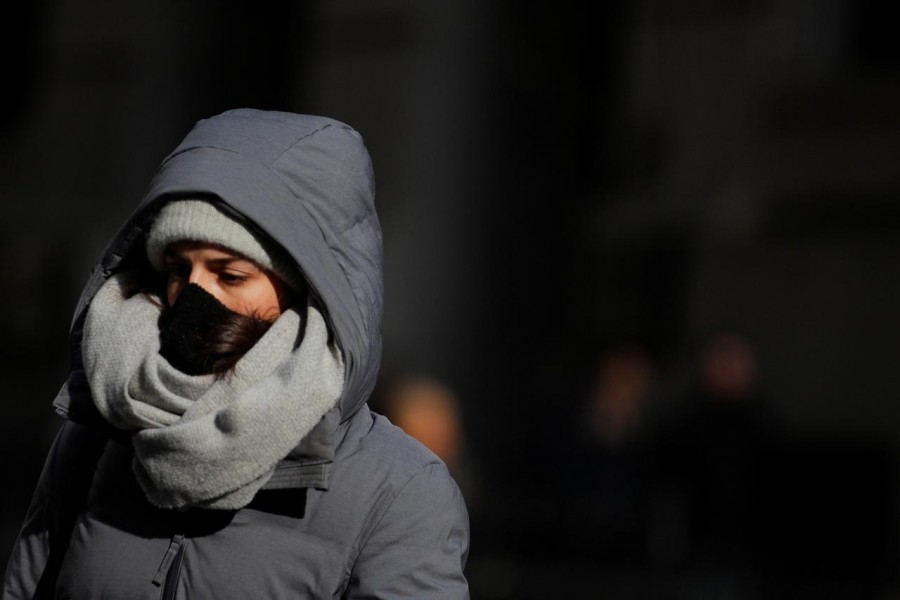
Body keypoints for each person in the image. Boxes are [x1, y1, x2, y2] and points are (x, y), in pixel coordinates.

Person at [2, 109, 470, 599]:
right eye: (179, 269)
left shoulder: (397, 494)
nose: (192, 297)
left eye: (230, 276)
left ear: (307, 293)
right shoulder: (95, 440)